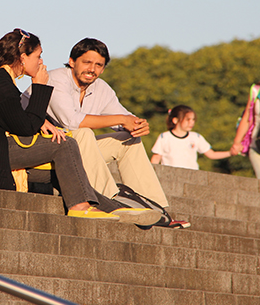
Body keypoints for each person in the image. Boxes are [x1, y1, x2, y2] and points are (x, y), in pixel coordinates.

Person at [0, 29, 160, 225]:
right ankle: (80, 208)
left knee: (63, 170)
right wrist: (39, 87)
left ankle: (115, 209)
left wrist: (42, 121)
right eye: (38, 56)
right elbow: (25, 127)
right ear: (22, 58)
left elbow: (16, 116)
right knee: (64, 145)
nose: (41, 62)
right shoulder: (0, 84)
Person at [23, 37, 190, 229]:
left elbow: (123, 117)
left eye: (98, 65)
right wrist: (121, 119)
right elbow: (72, 122)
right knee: (83, 133)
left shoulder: (101, 88)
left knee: (127, 139)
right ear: (72, 62)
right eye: (87, 62)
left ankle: (154, 208)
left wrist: (137, 124)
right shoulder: (56, 78)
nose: (92, 69)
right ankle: (112, 202)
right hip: (35, 151)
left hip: (71, 151)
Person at [151, 105, 234, 170]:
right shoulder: (164, 137)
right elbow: (156, 158)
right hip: (169, 175)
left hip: (191, 176)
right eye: (188, 119)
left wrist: (230, 153)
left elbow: (211, 154)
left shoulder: (196, 137)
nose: (191, 122)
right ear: (175, 120)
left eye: (193, 119)